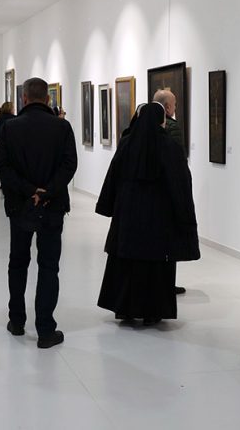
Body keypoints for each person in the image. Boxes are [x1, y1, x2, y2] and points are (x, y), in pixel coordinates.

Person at [96, 103, 199, 325]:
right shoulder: (170, 147)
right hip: (159, 218)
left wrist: (108, 205)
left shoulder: (127, 144)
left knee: (127, 263)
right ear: (162, 121)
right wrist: (184, 216)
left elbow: (113, 176)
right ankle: (154, 311)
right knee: (156, 265)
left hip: (128, 216)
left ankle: (125, 309)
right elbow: (181, 184)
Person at [0, 78, 77, 349]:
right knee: (49, 266)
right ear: (48, 99)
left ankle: (17, 321)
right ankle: (45, 329)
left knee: (18, 262)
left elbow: (2, 167)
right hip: (52, 206)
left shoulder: (9, 128)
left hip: (20, 205)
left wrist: (30, 190)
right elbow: (69, 165)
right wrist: (47, 191)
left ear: (25, 99)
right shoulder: (62, 127)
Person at [153, 89, 189, 295]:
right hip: (167, 192)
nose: (176, 108)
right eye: (174, 104)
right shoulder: (172, 127)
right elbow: (177, 160)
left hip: (151, 192)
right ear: (167, 107)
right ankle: (167, 283)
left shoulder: (142, 125)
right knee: (169, 241)